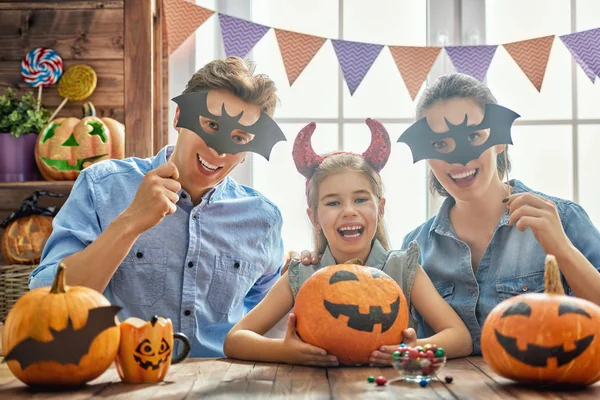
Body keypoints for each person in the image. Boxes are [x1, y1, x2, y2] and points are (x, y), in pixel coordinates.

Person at [29, 56, 286, 357]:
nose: (218, 148)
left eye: (239, 138)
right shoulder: (102, 187)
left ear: (247, 151)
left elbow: (272, 317)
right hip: (123, 381)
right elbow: (45, 297)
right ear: (179, 117)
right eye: (211, 124)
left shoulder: (263, 219)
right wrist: (130, 222)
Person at [223, 120, 472, 367]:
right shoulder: (302, 274)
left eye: (361, 199)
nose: (348, 211)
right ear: (315, 218)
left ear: (380, 208)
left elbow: (460, 338)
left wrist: (412, 350)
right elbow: (235, 340)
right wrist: (285, 351)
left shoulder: (404, 269)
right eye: (333, 203)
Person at [397, 73, 600, 355]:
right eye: (440, 144)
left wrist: (562, 249)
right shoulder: (414, 249)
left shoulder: (563, 219)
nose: (460, 159)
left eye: (473, 136)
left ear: (499, 140)